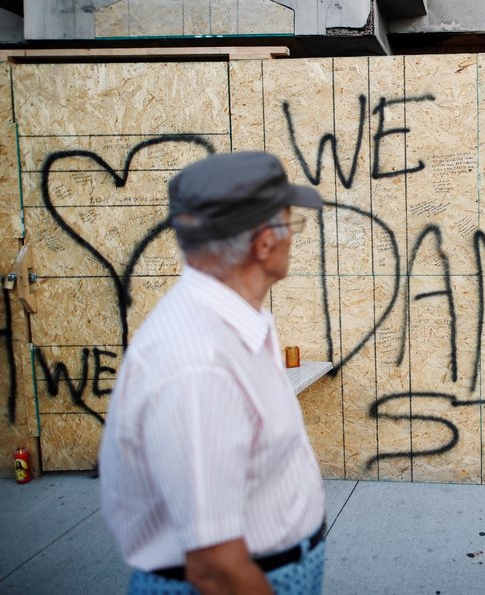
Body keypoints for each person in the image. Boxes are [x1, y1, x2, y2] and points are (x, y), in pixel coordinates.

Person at [99, 151, 327, 594]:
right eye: (290, 223)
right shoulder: (197, 365)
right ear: (263, 243)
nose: (292, 239)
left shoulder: (228, 323)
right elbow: (214, 567)